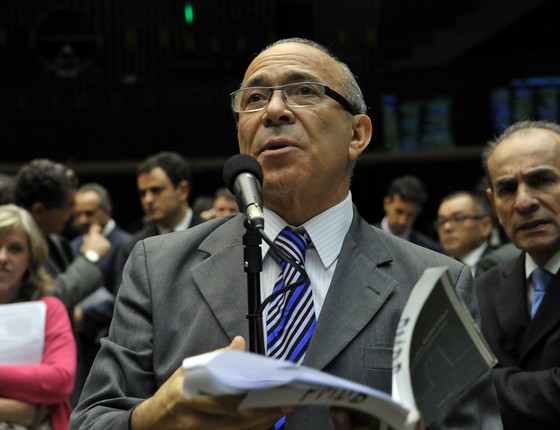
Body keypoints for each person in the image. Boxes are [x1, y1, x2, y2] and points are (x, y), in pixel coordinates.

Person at [70, 38, 501, 430]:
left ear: (358, 134)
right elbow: (91, 420)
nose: (274, 111)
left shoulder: (435, 281)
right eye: (255, 98)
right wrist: (152, 418)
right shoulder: (158, 267)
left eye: (304, 91)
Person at [475, 119, 560, 429]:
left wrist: (475, 388)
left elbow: (456, 391)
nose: (524, 202)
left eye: (541, 180)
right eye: (507, 188)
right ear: (493, 204)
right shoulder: (480, 289)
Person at [0, 204, 76, 430]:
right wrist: (14, 408)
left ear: (31, 258)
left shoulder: (49, 309)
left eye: (15, 249)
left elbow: (60, 380)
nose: (3, 257)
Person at [13, 159, 111, 318]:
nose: (73, 214)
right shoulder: (14, 249)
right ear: (39, 211)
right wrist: (89, 257)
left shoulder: (58, 242)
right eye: (68, 207)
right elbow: (48, 302)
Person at [69, 182, 132, 405]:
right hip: (78, 344)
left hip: (107, 339)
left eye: (89, 213)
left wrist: (83, 317)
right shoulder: (75, 244)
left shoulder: (125, 243)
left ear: (107, 212)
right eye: (78, 214)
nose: (83, 220)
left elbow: (123, 298)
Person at [117, 151, 206, 281]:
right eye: (143, 193)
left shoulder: (212, 235)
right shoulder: (134, 247)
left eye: (156, 190)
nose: (148, 200)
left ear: (183, 190)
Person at [434, 190, 497, 277]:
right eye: (441, 221)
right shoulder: (432, 267)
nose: (447, 227)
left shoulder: (501, 264)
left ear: (485, 226)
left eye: (458, 219)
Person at [374, 175, 442, 252]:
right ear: (387, 203)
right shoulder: (364, 237)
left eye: (411, 215)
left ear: (418, 212)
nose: (402, 221)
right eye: (399, 212)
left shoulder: (429, 249)